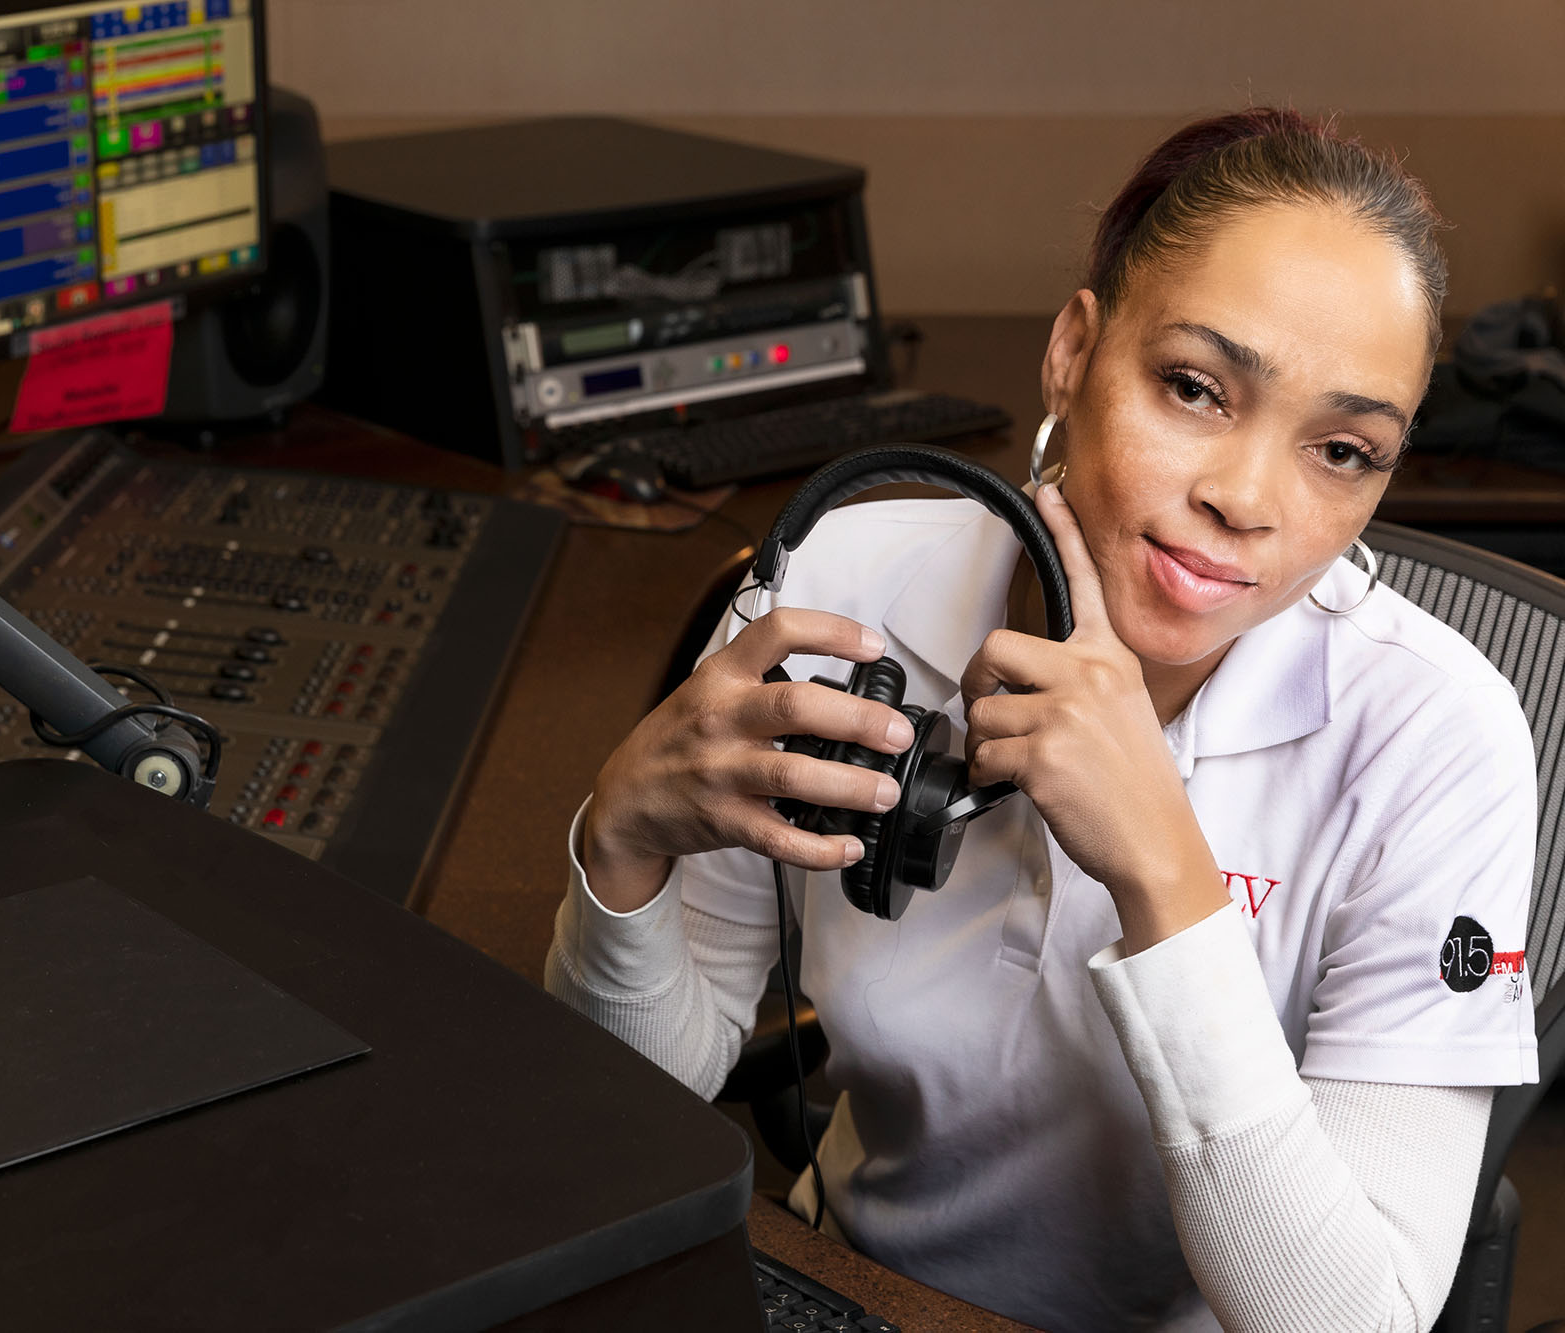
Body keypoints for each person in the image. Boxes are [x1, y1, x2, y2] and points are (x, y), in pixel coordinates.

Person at [545, 107, 1540, 1332]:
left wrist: (1163, 873)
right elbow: (614, 1127)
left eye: (1340, 449)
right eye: (1192, 387)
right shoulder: (843, 589)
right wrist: (621, 852)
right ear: (1071, 352)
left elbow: (1350, 1320)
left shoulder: (1440, 736)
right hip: (853, 1291)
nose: (1244, 498)